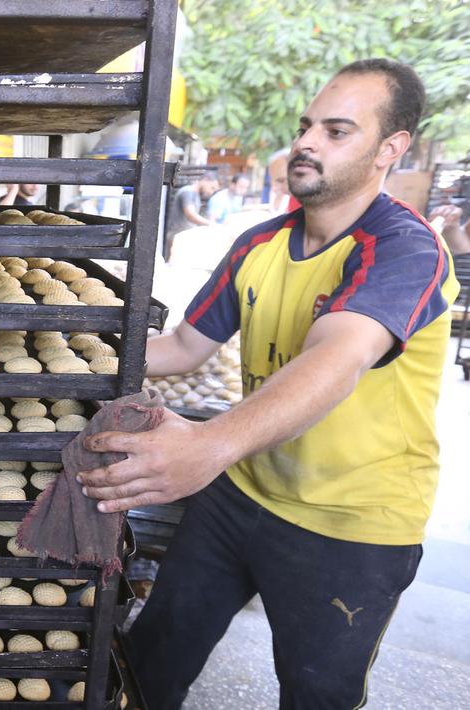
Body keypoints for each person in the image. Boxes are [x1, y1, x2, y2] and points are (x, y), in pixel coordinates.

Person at [80, 59, 458, 708]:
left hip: (349, 521)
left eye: (336, 131)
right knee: (151, 658)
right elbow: (182, 346)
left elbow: (336, 358)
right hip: (242, 491)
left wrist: (207, 446)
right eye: (306, 125)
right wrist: (59, 351)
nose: (306, 142)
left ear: (388, 150)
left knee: (315, 692)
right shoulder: (260, 244)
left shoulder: (403, 248)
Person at [162, 171, 219, 261]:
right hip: (176, 238)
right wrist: (210, 224)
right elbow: (191, 215)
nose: (211, 192)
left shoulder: (194, 194)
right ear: (206, 180)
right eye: (212, 188)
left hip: (181, 239)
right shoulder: (188, 192)